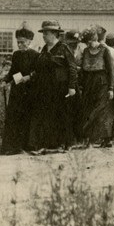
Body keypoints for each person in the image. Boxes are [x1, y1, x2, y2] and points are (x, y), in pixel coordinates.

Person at [27, 21, 78, 155]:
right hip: (46, 88)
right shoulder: (44, 49)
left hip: (61, 87)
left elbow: (72, 68)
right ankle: (49, 144)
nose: (44, 36)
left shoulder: (63, 48)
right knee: (48, 116)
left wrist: (72, 87)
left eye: (47, 33)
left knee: (63, 115)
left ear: (55, 34)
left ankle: (66, 144)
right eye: (43, 33)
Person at [1, 23, 39, 154]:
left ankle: (27, 145)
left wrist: (29, 77)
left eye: (22, 42)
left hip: (30, 90)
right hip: (17, 90)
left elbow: (39, 72)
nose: (20, 45)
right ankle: (13, 146)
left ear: (29, 41)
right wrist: (5, 80)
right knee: (14, 117)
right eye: (18, 42)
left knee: (27, 117)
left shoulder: (36, 55)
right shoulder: (16, 55)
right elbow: (13, 71)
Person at [78, 27, 114, 148]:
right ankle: (90, 139)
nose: (89, 45)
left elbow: (111, 70)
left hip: (102, 84)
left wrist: (110, 88)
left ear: (96, 39)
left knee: (101, 112)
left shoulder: (105, 51)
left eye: (91, 42)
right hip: (89, 84)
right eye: (87, 43)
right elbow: (83, 70)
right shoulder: (85, 51)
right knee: (88, 110)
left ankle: (105, 139)